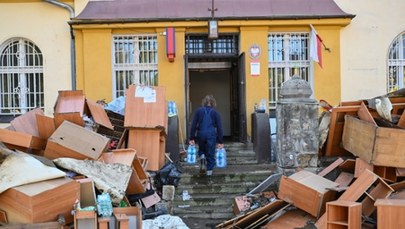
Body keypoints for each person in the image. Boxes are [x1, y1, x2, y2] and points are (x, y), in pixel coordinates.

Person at [189, 95, 224, 183]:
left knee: (202, 149)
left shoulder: (198, 111)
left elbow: (193, 125)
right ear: (213, 103)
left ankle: (202, 157)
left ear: (204, 102)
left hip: (201, 134)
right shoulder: (216, 113)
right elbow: (220, 128)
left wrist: (191, 137)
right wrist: (220, 141)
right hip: (211, 135)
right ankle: (209, 177)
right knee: (211, 155)